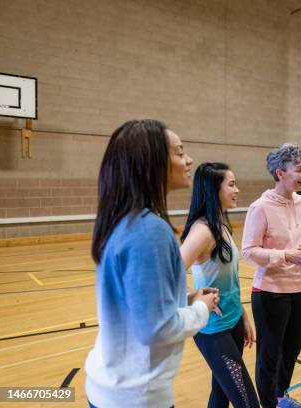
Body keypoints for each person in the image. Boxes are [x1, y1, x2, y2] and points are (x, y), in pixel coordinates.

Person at [85, 119, 218, 408]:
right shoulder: (149, 231)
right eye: (180, 152)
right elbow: (156, 328)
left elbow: (139, 305)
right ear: (151, 163)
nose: (189, 159)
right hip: (135, 396)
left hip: (110, 387)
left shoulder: (122, 220)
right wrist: (199, 309)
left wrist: (184, 299)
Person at [241, 143, 301, 408]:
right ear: (280, 173)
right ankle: (267, 404)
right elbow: (249, 251)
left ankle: (279, 397)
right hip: (271, 292)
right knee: (270, 355)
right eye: (298, 170)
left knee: (291, 351)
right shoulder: (260, 207)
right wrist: (286, 255)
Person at [180, 162, 258, 408]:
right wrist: (192, 296)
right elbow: (169, 273)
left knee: (221, 395)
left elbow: (230, 281)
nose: (237, 190)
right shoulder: (203, 230)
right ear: (215, 190)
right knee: (248, 403)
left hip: (232, 322)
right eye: (232, 184)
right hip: (213, 332)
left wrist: (242, 315)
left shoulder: (222, 225)